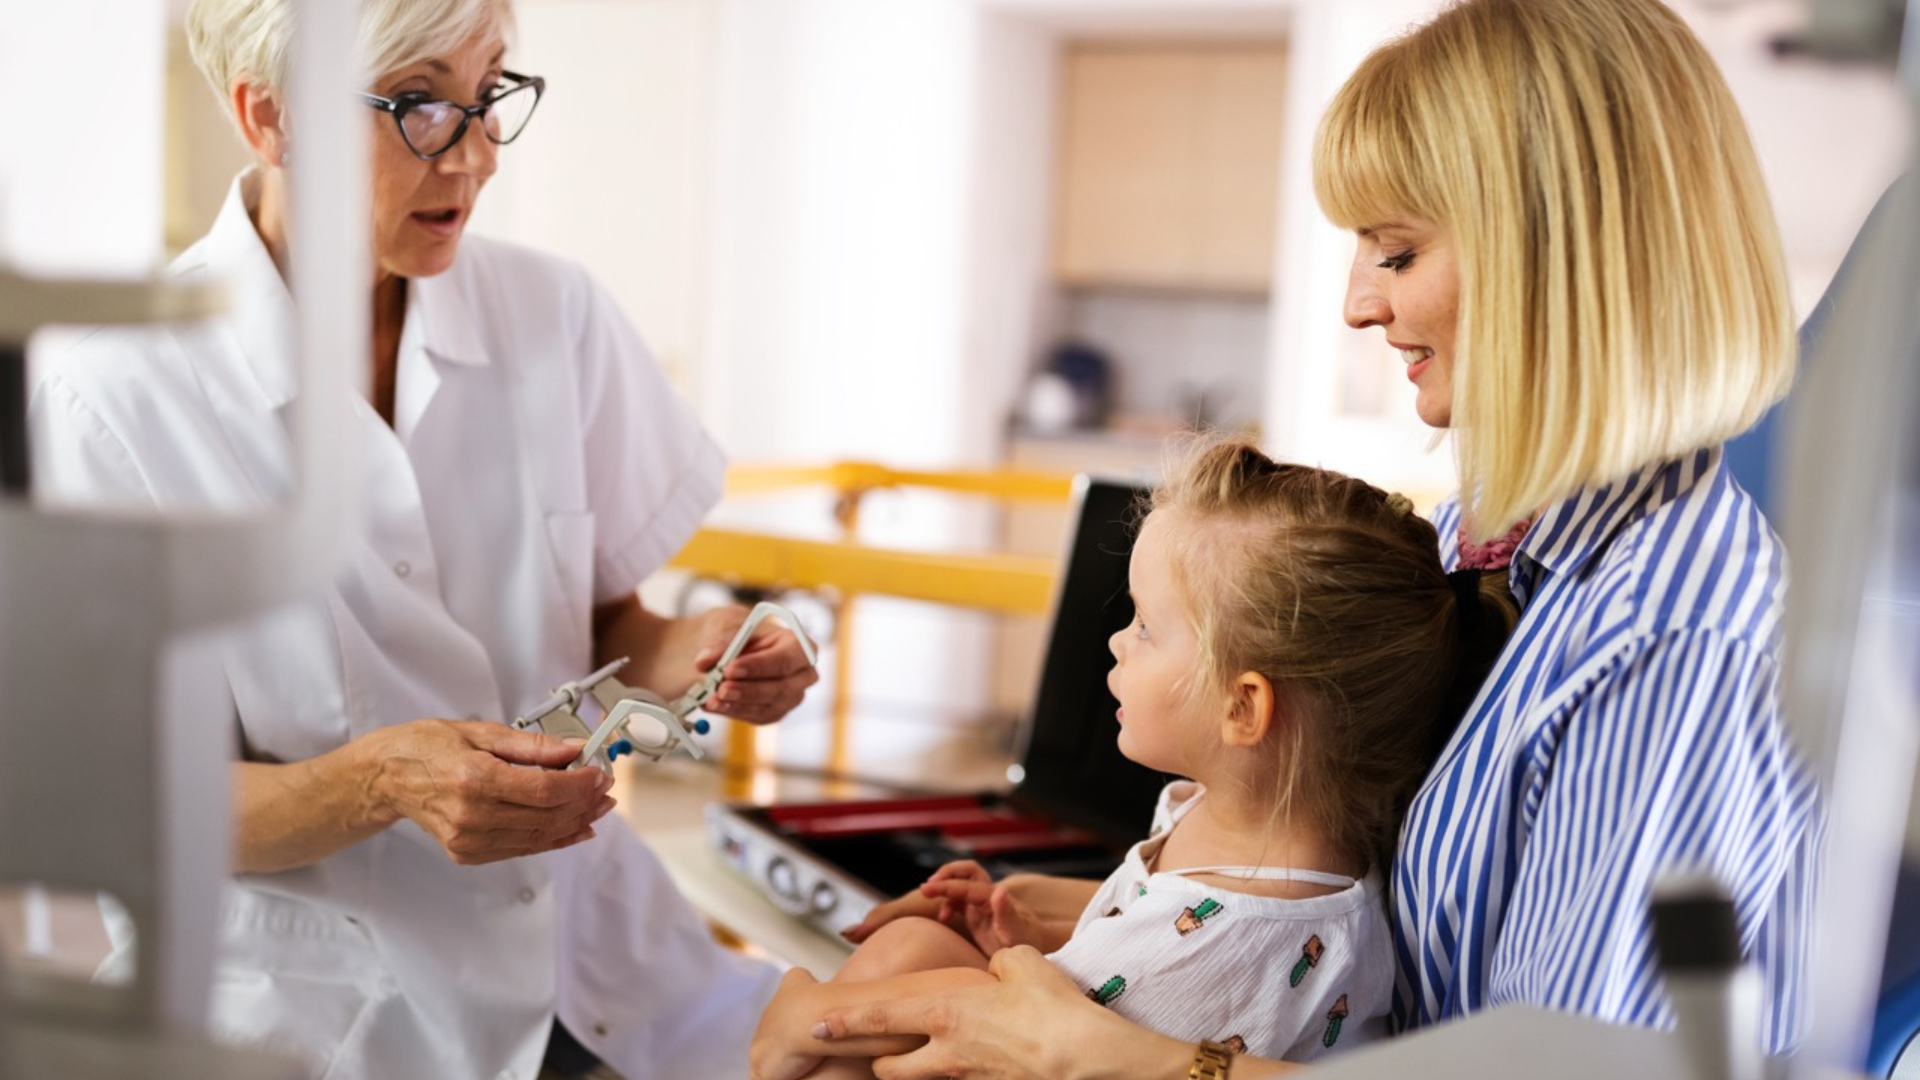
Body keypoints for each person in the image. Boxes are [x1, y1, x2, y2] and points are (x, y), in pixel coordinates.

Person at [774, 0, 1818, 1076]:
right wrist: (1122, 927)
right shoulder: (1491, 542)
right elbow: (1398, 952)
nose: (1360, 305)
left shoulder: (1676, 640)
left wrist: (1099, 1054)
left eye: (1398, 252)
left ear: (1558, 258)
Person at [30, 0, 818, 1076]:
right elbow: (125, 802)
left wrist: (702, 652)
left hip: (599, 969)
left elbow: (607, 624)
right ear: (270, 119)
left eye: (489, 92)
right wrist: (378, 783)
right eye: (417, 105)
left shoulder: (556, 314)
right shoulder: (109, 392)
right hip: (321, 1014)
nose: (478, 154)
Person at [750, 438, 1515, 1080]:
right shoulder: (1254, 842)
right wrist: (1046, 940)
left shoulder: (1233, 940)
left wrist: (821, 1012)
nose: (1117, 642)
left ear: (1243, 708)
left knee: (910, 954)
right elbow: (1138, 967)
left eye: (1146, 627)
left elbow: (1052, 1037)